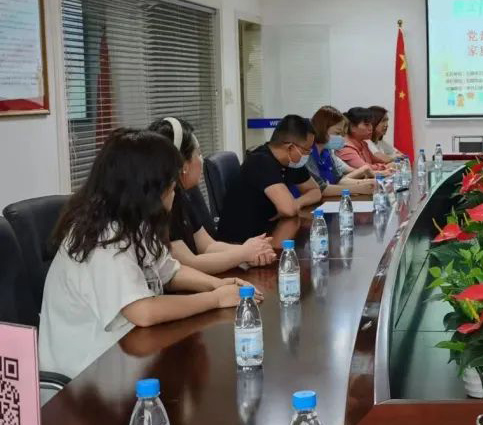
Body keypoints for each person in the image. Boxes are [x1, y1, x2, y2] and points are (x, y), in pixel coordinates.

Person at [39, 129, 262, 381]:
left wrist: (217, 284)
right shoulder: (102, 237)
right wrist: (215, 299)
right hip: (84, 380)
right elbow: (142, 311)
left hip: (124, 359)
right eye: (170, 184)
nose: (175, 191)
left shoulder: (134, 221)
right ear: (147, 187)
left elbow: (169, 271)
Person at [148, 117, 277, 274]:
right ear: (183, 165)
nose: (202, 160)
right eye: (199, 153)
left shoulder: (183, 194)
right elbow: (190, 263)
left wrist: (250, 251)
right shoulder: (161, 202)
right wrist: (243, 253)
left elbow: (207, 246)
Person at [218, 115, 322, 243]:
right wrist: (292, 205)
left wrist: (297, 203)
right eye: (306, 150)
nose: (308, 154)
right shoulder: (260, 161)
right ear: (290, 147)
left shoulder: (291, 162)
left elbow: (315, 191)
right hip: (241, 242)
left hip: (269, 232)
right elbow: (288, 209)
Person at [306, 105, 377, 199]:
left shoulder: (327, 152)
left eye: (343, 134)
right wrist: (358, 188)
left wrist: (367, 183)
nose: (341, 138)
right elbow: (321, 188)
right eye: (337, 133)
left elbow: (339, 180)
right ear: (323, 129)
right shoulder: (307, 153)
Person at [337, 107, 392, 172]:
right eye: (366, 125)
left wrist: (388, 165)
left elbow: (377, 160)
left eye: (371, 124)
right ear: (352, 127)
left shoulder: (363, 144)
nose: (371, 128)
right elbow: (365, 168)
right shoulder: (345, 147)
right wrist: (386, 167)